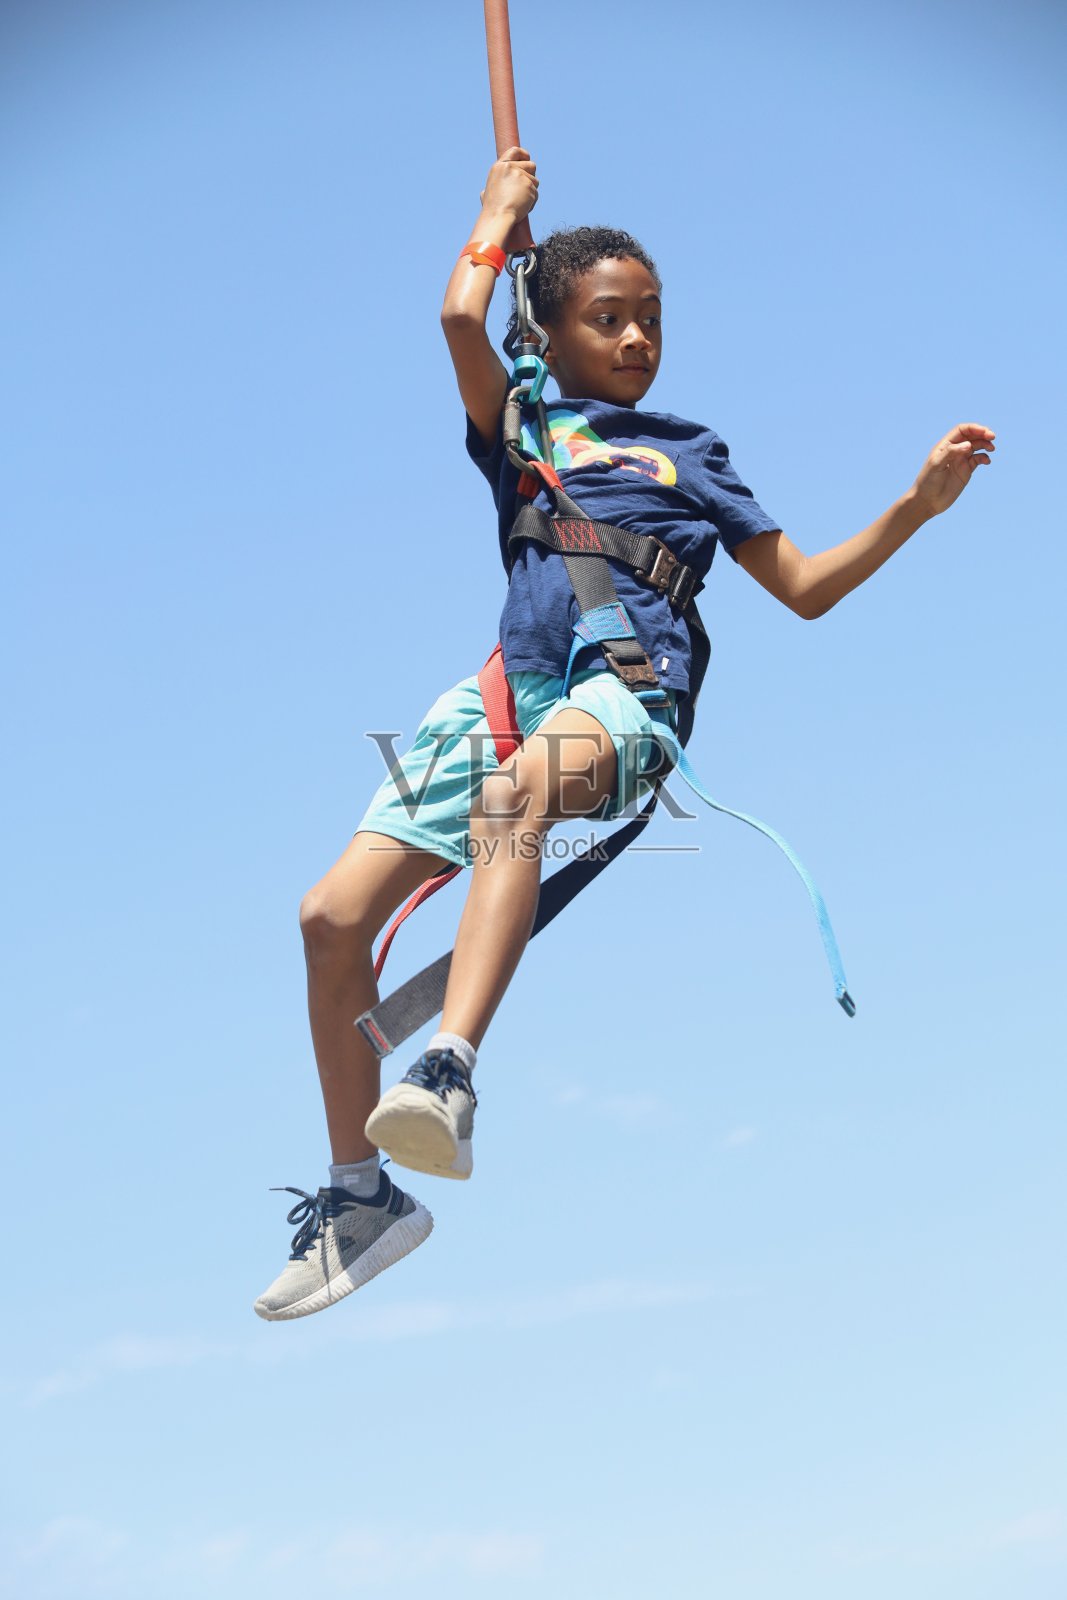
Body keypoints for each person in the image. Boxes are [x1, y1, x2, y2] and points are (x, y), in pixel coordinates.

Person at [254, 148, 994, 1321]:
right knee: (329, 915)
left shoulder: (686, 450)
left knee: (517, 802)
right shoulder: (518, 425)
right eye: (611, 318)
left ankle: (447, 1068)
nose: (640, 338)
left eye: (651, 318)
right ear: (548, 334)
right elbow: (459, 312)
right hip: (507, 687)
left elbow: (802, 586)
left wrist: (912, 506)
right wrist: (494, 220)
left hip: (624, 691)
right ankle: (363, 1196)